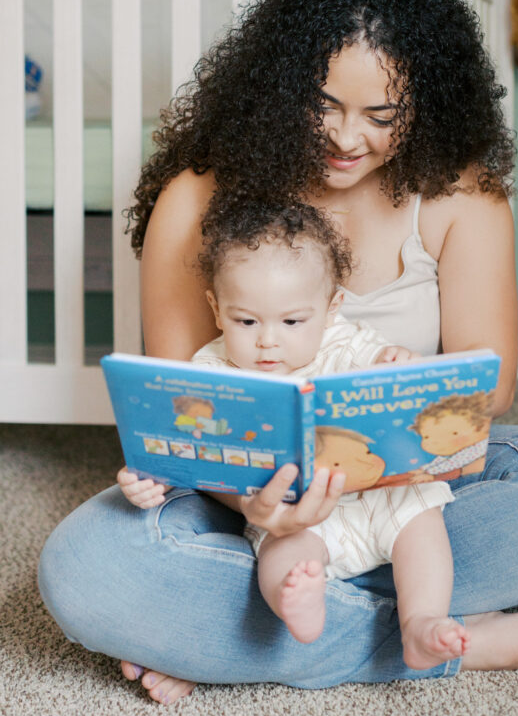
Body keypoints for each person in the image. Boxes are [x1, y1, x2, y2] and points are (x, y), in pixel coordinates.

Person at [38, 0, 518, 706]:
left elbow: (490, 388)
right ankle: (462, 639)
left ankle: (220, 636)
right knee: (83, 568)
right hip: (237, 505)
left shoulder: (461, 196)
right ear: (278, 89)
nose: (349, 138)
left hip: (407, 491)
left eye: (382, 117)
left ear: (426, 106)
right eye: (325, 106)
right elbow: (184, 413)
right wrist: (254, 506)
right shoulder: (197, 197)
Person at [118, 201, 469, 668]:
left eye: (291, 321)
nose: (268, 340)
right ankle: (298, 600)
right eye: (246, 321)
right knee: (280, 555)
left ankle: (421, 622)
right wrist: (148, 477)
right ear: (216, 309)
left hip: (381, 497)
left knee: (422, 521)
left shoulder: (345, 340)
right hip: (294, 518)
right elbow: (186, 448)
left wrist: (398, 364)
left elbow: (387, 374)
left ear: (332, 307)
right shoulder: (211, 373)